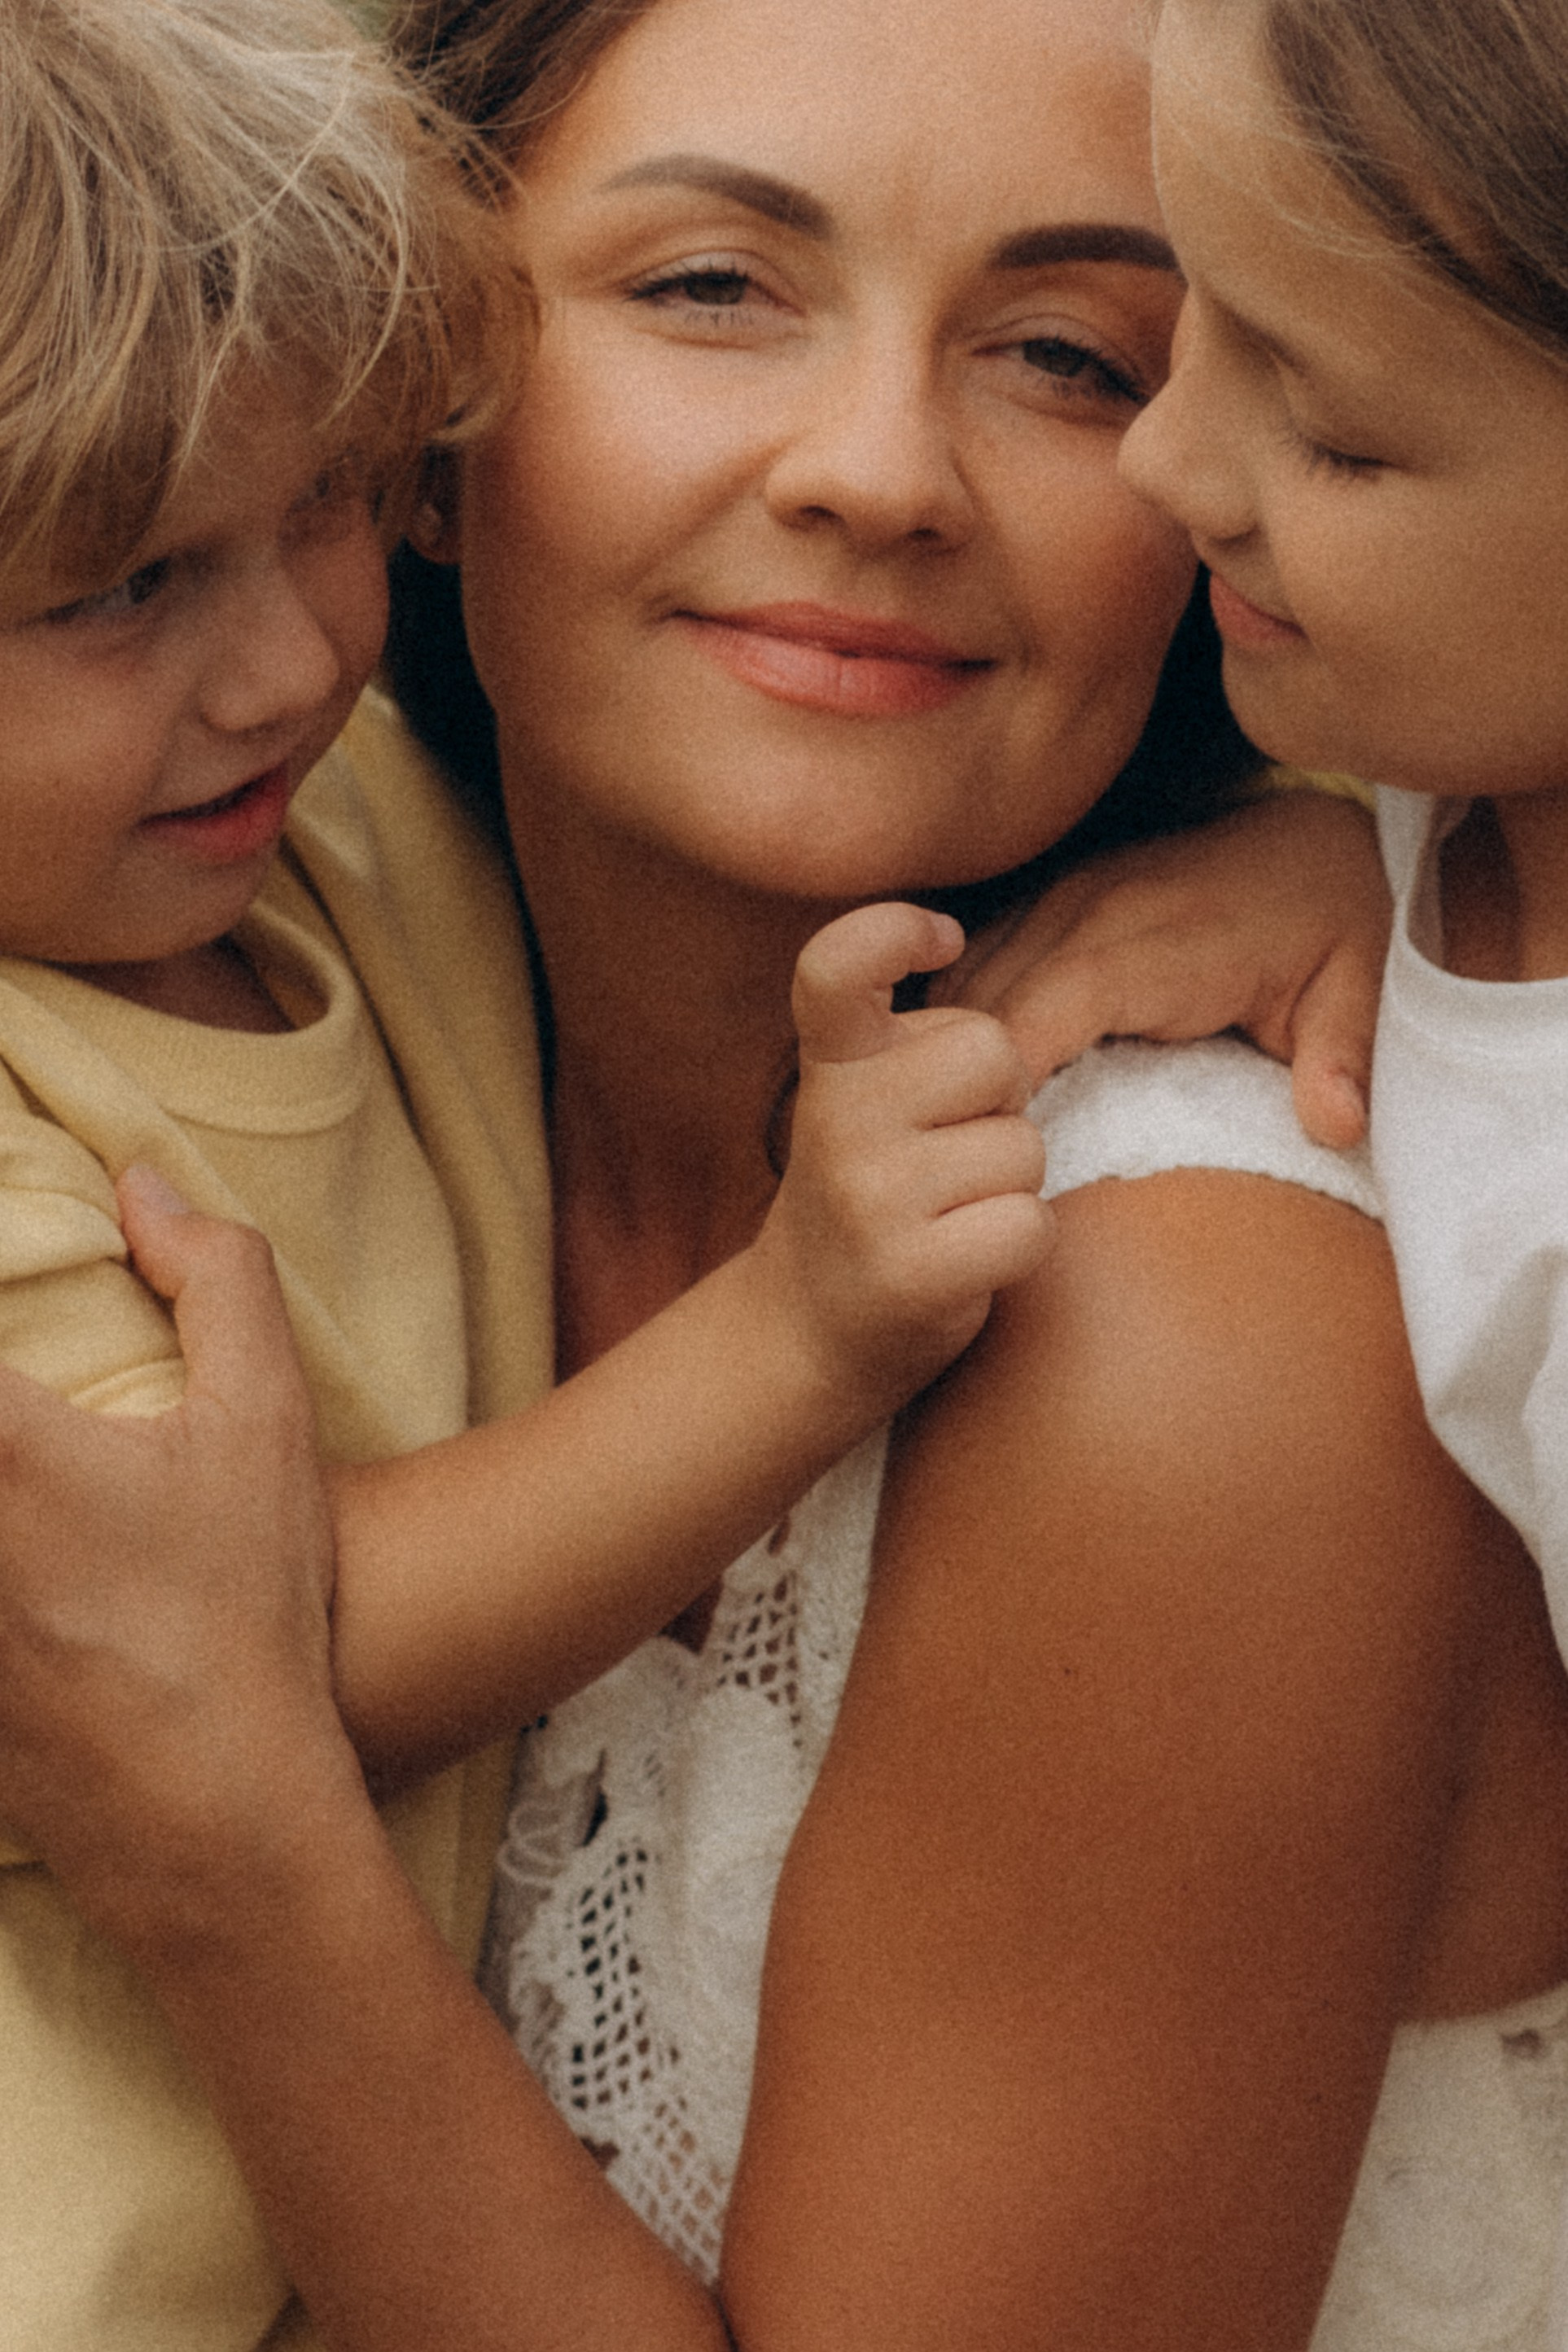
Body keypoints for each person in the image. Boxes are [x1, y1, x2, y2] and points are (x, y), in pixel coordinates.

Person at [1, 0, 1566, 2346]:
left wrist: (243, 1862)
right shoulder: (280, 914)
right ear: (405, 394)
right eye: (713, 287)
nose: (878, 471)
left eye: (1068, 350)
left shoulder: (1188, 1326)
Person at [0, 3, 1059, 2342]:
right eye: (112, 590)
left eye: (319, 510)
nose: (283, 661)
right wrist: (794, 1330)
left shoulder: (308, 827)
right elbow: (193, 1653)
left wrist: (1339, 876)